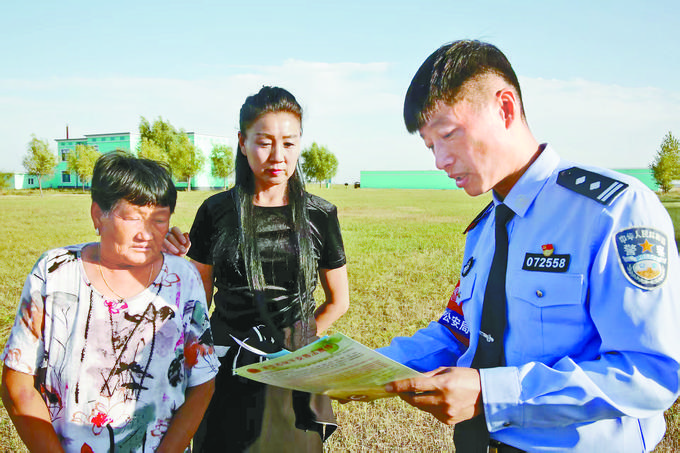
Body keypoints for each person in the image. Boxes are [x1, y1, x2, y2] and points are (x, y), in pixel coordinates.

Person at [372, 40, 680, 452]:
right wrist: (363, 367)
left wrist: (491, 394)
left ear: (505, 108)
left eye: (448, 135)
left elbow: (649, 372)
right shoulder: (486, 228)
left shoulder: (613, 211)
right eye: (431, 146)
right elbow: (459, 332)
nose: (440, 160)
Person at [165, 86, 350, 452]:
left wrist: (296, 345)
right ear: (242, 142)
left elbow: (338, 301)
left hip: (293, 369)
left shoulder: (320, 215)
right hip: (226, 367)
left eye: (290, 143)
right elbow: (198, 303)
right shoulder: (215, 211)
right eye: (264, 142)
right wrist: (166, 258)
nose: (278, 156)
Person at [1, 152, 219, 452]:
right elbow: (18, 385)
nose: (146, 234)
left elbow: (202, 384)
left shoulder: (183, 279)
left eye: (159, 220)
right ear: (97, 215)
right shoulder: (55, 273)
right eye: (132, 217)